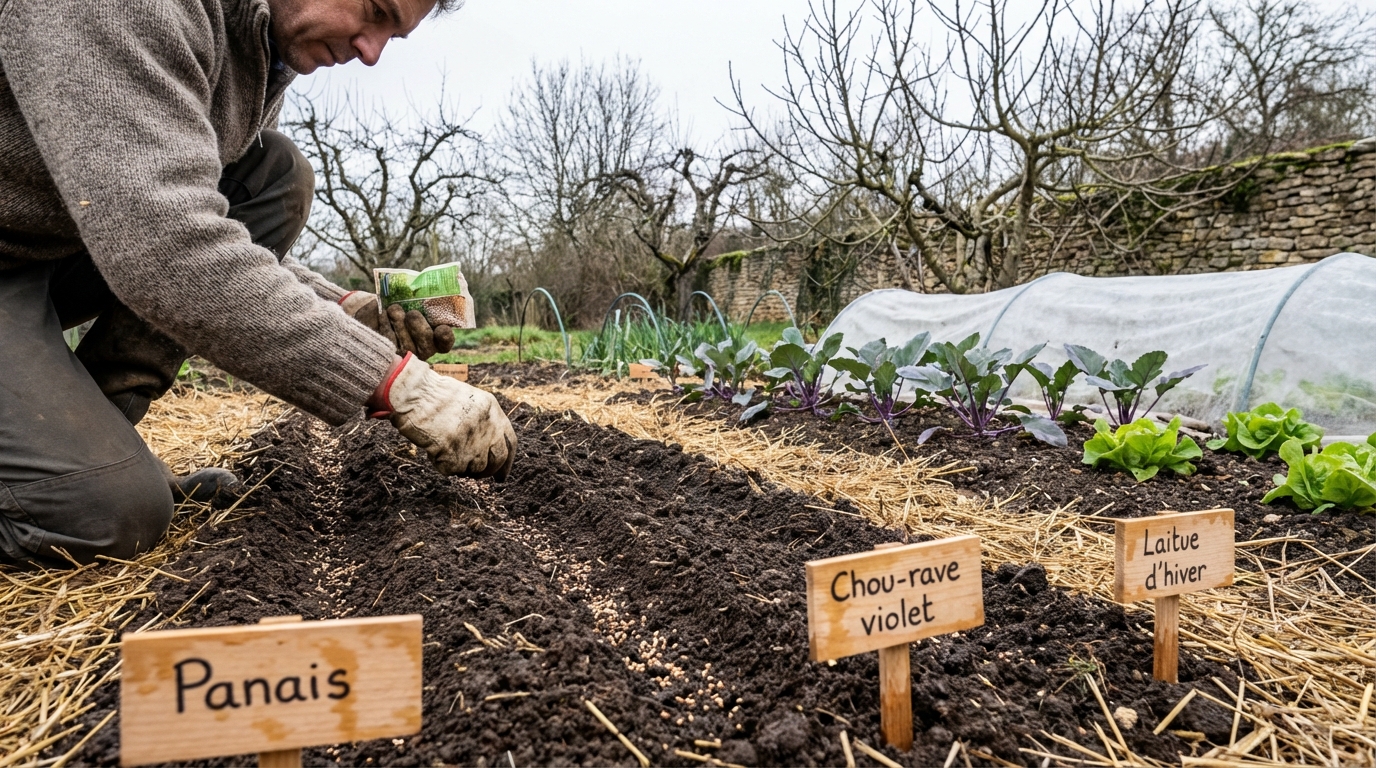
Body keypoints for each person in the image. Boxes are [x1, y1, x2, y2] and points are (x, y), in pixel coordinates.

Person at [0, 0, 516, 566]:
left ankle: (92, 446)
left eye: (393, 36)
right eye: (374, 11)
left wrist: (347, 310)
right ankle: (67, 482)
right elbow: (167, 240)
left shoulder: (255, 51)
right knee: (108, 516)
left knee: (275, 172)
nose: (372, 52)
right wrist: (394, 383)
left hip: (46, 245)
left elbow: (202, 223)